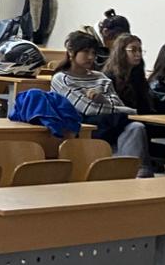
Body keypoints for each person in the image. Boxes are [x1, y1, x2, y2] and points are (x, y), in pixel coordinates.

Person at [50, 30, 152, 175]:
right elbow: (88, 109)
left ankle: (134, 173)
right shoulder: (61, 79)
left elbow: (118, 104)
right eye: (86, 52)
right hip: (81, 127)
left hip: (108, 125)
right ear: (71, 52)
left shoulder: (100, 77)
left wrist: (102, 100)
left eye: (93, 53)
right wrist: (126, 110)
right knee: (125, 122)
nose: (91, 57)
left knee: (136, 127)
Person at [101, 33, 151, 114]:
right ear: (121, 52)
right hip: (120, 117)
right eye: (133, 50)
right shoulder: (109, 77)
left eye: (140, 50)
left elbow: (145, 105)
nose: (138, 54)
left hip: (139, 116)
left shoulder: (138, 76)